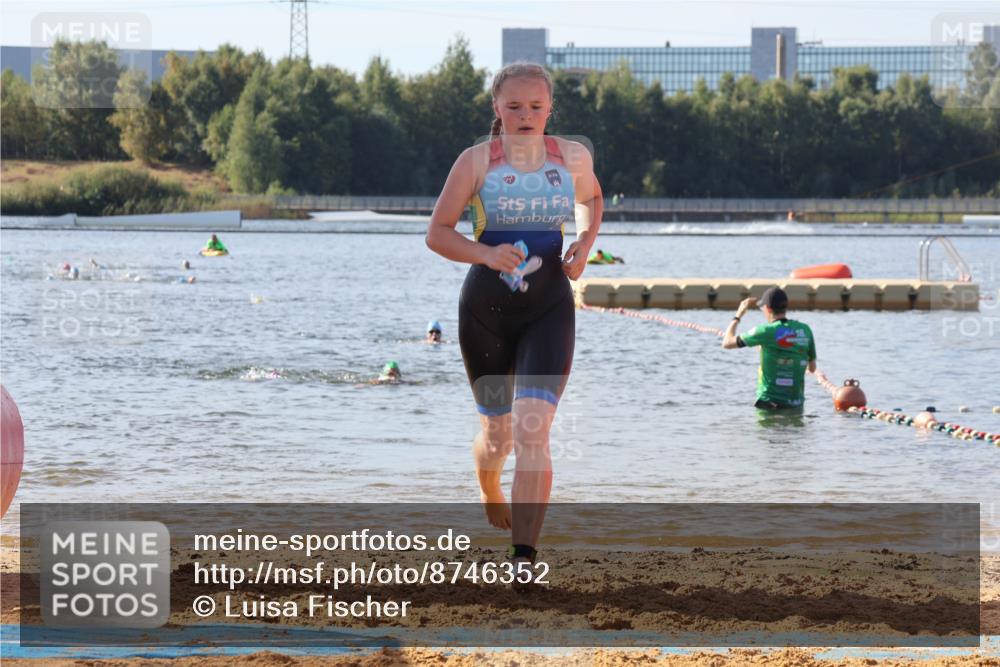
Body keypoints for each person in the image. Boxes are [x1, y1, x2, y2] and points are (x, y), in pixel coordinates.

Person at [426, 62, 603, 569]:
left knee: (533, 431)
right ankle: (487, 486)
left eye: (536, 106)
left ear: (550, 108)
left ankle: (523, 556)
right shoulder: (476, 162)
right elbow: (437, 233)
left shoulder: (571, 157)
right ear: (497, 109)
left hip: (548, 308)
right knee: (498, 436)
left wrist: (585, 243)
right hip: (485, 313)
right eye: (514, 106)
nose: (525, 115)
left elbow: (591, 197)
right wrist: (484, 254)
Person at [721, 287, 817, 410]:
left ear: (768, 309)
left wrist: (738, 316)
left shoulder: (765, 331)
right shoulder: (805, 329)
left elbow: (726, 343)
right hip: (795, 404)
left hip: (768, 403)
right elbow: (812, 368)